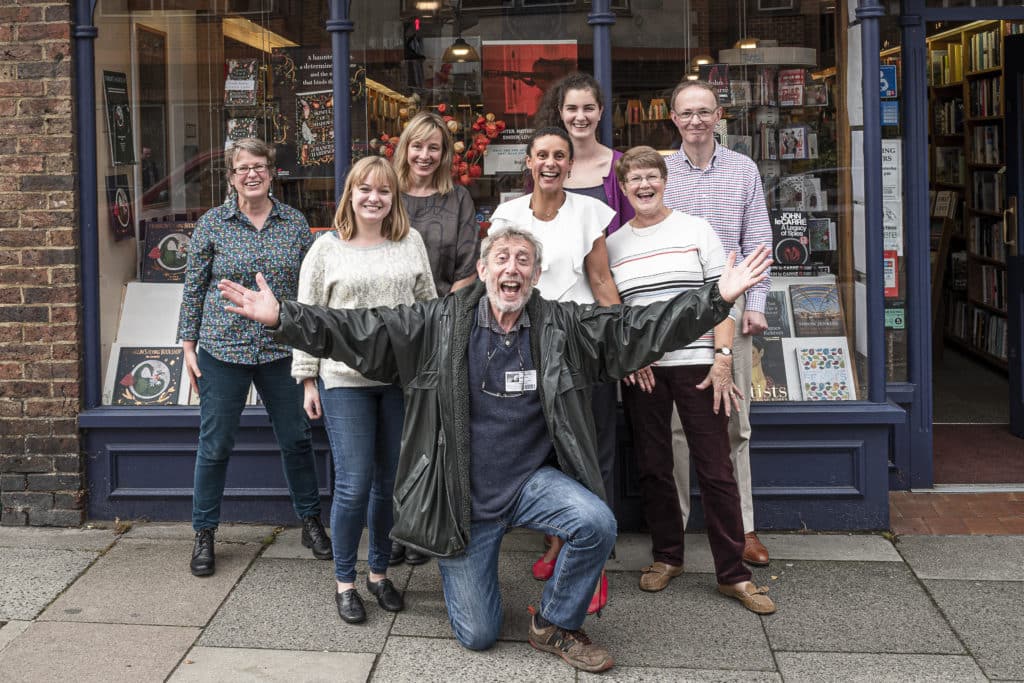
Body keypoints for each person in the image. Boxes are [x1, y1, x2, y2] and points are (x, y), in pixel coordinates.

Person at [216, 226, 772, 674]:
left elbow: (634, 329)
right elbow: (361, 329)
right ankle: (469, 574)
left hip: (529, 485)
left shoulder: (559, 325)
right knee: (479, 637)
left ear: (535, 274)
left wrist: (714, 299)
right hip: (464, 502)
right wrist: (283, 318)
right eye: (501, 258)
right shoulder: (438, 323)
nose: (512, 268)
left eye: (524, 260)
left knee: (596, 522)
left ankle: (553, 621)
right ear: (482, 271)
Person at [606, 146, 775, 614]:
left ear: (665, 181)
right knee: (656, 466)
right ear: (623, 188)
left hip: (701, 366)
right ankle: (667, 557)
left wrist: (723, 360)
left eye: (651, 178)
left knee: (715, 468)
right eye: (634, 180)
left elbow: (721, 299)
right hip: (646, 373)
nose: (643, 186)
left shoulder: (697, 230)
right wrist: (629, 355)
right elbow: (617, 314)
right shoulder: (615, 245)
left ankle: (732, 574)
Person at [176, 137, 330, 577]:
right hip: (223, 349)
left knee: (296, 439)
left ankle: (310, 520)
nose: (252, 174)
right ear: (231, 176)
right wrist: (188, 345)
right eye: (243, 167)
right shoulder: (212, 224)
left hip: (280, 348)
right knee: (216, 444)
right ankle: (204, 533)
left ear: (271, 172)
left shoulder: (294, 224)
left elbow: (307, 294)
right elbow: (194, 287)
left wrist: (310, 358)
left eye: (259, 166)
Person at [292, 155, 436, 625]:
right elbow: (306, 316)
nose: (374, 199)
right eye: (365, 190)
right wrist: (308, 377)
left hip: (397, 381)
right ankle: (345, 583)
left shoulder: (409, 242)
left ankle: (378, 574)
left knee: (389, 483)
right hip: (343, 382)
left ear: (394, 198)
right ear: (350, 195)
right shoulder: (326, 250)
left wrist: (431, 373)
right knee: (352, 485)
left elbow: (429, 310)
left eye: (384, 191)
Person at [488, 126, 621, 610]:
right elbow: (497, 274)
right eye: (541, 154)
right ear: (528, 162)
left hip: (580, 343)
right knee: (540, 448)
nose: (550, 162)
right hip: (523, 345)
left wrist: (620, 343)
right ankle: (557, 540)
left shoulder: (590, 212)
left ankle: (593, 567)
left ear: (570, 165)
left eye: (559, 155)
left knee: (588, 449)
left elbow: (601, 280)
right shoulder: (507, 214)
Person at [664, 80, 774, 566]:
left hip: (731, 309)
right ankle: (676, 531)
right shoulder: (661, 172)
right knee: (677, 429)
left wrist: (758, 302)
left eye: (704, 112)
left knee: (735, 424)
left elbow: (759, 237)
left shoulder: (743, 170)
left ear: (718, 115)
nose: (695, 121)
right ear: (673, 117)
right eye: (686, 113)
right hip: (677, 313)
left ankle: (743, 528)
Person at [390, 110, 482, 567]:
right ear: (404, 147)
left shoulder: (458, 198)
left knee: (435, 433)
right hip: (392, 330)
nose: (425, 155)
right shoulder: (385, 194)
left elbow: (469, 267)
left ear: (445, 154)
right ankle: (395, 527)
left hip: (443, 328)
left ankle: (426, 524)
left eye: (435, 147)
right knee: (396, 434)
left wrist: (444, 322)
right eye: (418, 145)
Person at [532, 72, 634, 235]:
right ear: (561, 112)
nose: (580, 117)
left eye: (588, 108)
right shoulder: (545, 167)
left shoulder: (621, 166)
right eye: (572, 108)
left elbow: (633, 228)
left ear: (600, 112)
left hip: (609, 260)